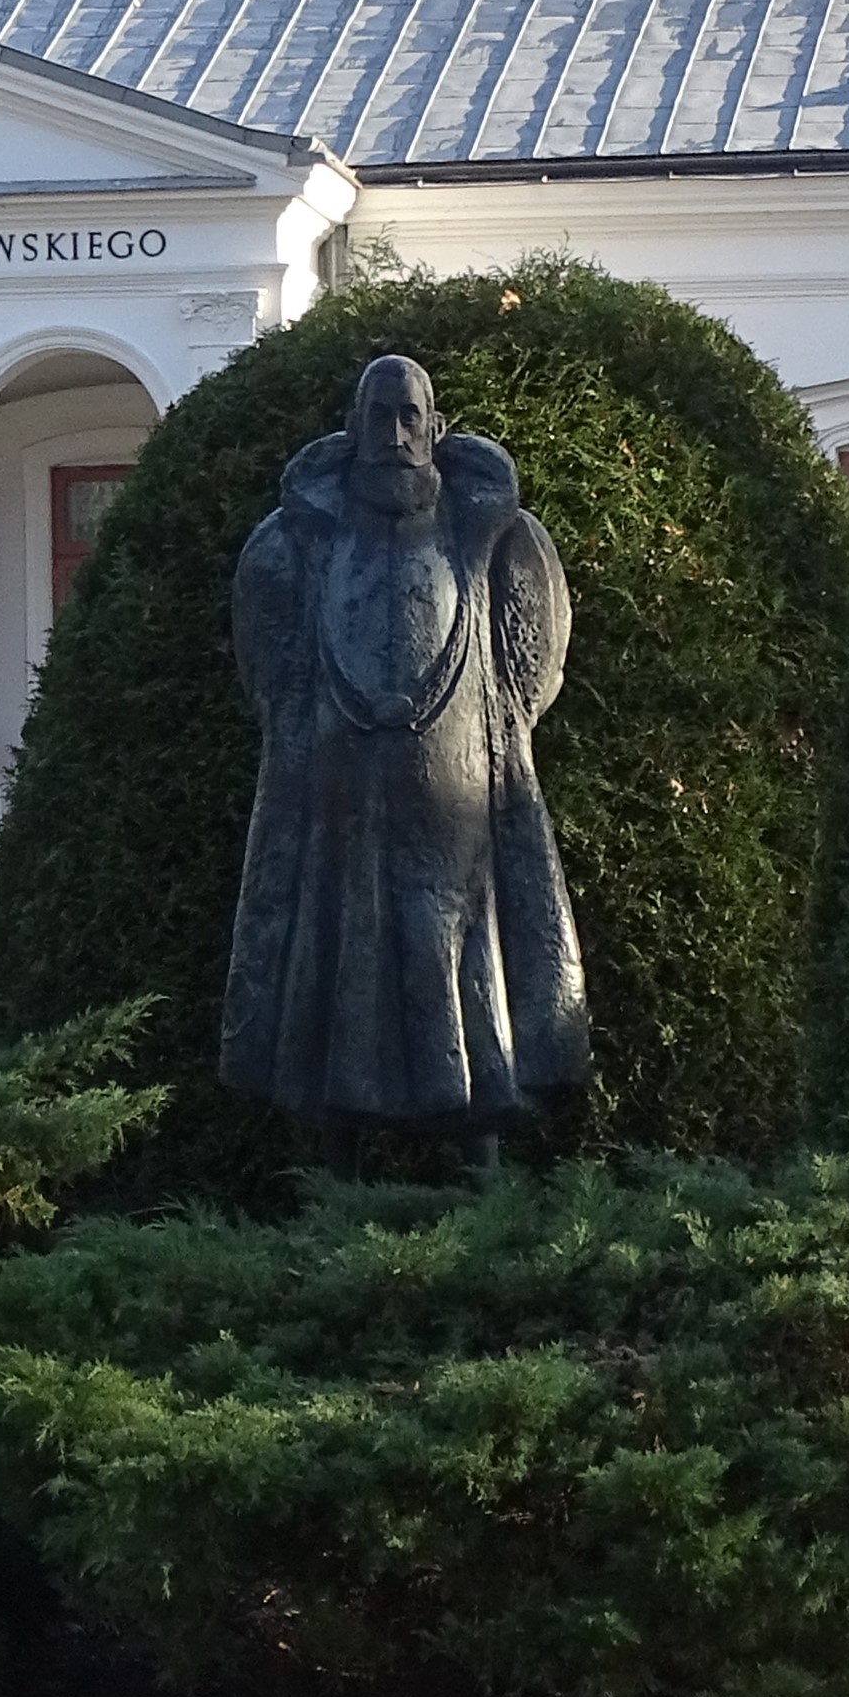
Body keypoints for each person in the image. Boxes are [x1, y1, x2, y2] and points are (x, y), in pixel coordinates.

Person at [220, 352, 587, 1136]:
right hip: (336, 797)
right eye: (379, 417)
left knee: (467, 951)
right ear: (351, 428)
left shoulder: (495, 534)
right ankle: (337, 1160)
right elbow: (267, 667)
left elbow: (534, 664)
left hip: (460, 794)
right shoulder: (294, 539)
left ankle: (480, 1149)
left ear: (435, 428)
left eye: (409, 416)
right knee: (334, 954)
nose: (393, 435)